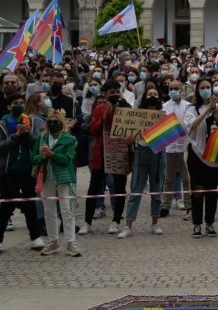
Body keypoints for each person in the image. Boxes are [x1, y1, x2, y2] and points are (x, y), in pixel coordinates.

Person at [0, 91, 46, 251]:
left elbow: (36, 142)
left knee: (30, 203)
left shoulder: (29, 121)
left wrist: (26, 133)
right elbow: (2, 147)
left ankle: (35, 238)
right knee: (7, 205)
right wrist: (15, 136)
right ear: (8, 106)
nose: (18, 105)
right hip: (8, 170)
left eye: (21, 102)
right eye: (14, 103)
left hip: (27, 170)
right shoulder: (3, 124)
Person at [82, 82, 129, 235]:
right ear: (105, 94)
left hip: (119, 153)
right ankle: (87, 222)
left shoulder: (126, 108)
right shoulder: (99, 109)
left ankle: (116, 221)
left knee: (119, 187)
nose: (114, 94)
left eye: (117, 91)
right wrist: (105, 116)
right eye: (111, 92)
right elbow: (93, 131)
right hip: (101, 154)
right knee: (94, 188)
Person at [119, 87, 166, 239]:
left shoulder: (164, 114)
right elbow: (128, 134)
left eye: (155, 94)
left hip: (158, 154)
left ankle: (155, 223)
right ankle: (128, 225)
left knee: (156, 189)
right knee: (135, 189)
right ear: (145, 97)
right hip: (141, 152)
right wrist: (130, 140)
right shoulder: (136, 114)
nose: (152, 96)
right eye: (150, 94)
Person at [32, 108, 79, 257]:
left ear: (61, 123)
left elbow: (66, 160)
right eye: (49, 121)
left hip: (65, 178)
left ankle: (71, 242)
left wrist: (51, 154)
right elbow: (33, 158)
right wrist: (42, 157)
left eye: (55, 121)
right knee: (49, 210)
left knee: (67, 210)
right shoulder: (41, 138)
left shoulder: (69, 140)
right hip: (46, 177)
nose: (52, 124)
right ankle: (53, 242)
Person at [184, 80, 218, 238]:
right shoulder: (190, 109)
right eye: (202, 88)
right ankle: (197, 224)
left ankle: (210, 222)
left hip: (215, 154)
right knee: (197, 192)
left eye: (207, 87)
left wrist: (215, 110)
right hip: (196, 154)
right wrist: (207, 110)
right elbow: (192, 126)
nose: (205, 90)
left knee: (212, 192)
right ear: (197, 90)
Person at [160, 81, 192, 218]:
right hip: (170, 147)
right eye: (171, 89)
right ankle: (165, 206)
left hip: (185, 146)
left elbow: (190, 124)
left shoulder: (188, 106)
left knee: (187, 179)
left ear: (181, 90)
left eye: (176, 89)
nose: (173, 91)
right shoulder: (165, 106)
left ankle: (189, 205)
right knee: (168, 179)